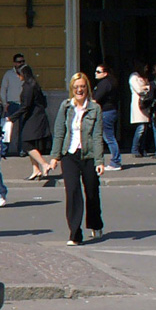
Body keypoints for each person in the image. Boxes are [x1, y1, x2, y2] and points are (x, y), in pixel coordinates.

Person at [48, 72, 105, 246]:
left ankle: (95, 223)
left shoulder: (95, 108)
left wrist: (99, 161)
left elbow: (97, 136)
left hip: (88, 155)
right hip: (70, 154)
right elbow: (59, 132)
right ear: (72, 89)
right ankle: (75, 233)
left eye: (82, 86)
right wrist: (55, 156)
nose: (79, 90)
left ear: (87, 88)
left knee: (92, 191)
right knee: (72, 191)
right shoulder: (66, 107)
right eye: (76, 87)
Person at [18, 64, 52, 179]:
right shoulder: (34, 84)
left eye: (19, 74)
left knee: (26, 143)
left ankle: (44, 164)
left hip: (33, 117)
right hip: (36, 116)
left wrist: (12, 117)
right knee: (30, 143)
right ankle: (36, 169)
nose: (19, 77)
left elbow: (25, 105)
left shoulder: (28, 87)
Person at [93, 63, 122, 170]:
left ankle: (116, 162)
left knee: (109, 137)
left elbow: (96, 98)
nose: (95, 74)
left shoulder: (104, 84)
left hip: (106, 112)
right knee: (108, 136)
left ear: (105, 73)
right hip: (111, 111)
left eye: (98, 72)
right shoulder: (111, 82)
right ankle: (115, 161)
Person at [0, 53, 27, 156]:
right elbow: (3, 89)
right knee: (7, 128)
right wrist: (4, 103)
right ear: (14, 63)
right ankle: (4, 150)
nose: (21, 63)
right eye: (19, 62)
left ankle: (21, 150)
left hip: (23, 104)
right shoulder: (8, 74)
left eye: (23, 61)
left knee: (22, 128)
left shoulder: (26, 73)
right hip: (12, 104)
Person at [129, 63, 153, 157]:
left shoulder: (144, 77)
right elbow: (139, 89)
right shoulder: (134, 77)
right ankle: (135, 148)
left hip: (145, 103)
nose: (147, 68)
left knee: (145, 127)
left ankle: (142, 149)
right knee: (141, 127)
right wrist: (147, 88)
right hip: (138, 103)